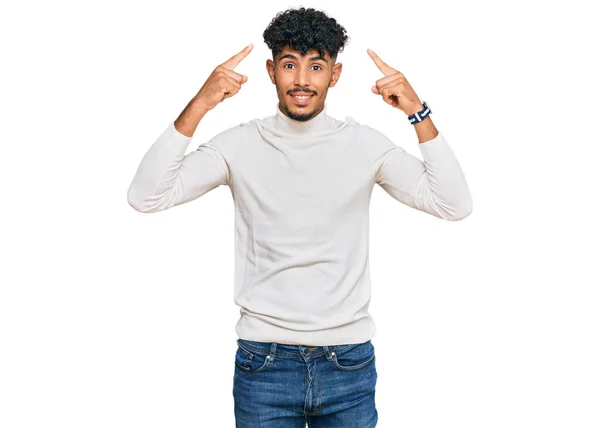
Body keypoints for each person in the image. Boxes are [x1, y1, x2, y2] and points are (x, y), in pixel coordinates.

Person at [127, 6, 472, 428]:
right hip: (264, 365)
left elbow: (454, 204)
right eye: (290, 65)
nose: (303, 80)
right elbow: (146, 196)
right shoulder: (239, 144)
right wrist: (200, 103)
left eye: (316, 66)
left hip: (348, 365)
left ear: (336, 73)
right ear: (272, 71)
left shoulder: (364, 144)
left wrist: (416, 111)